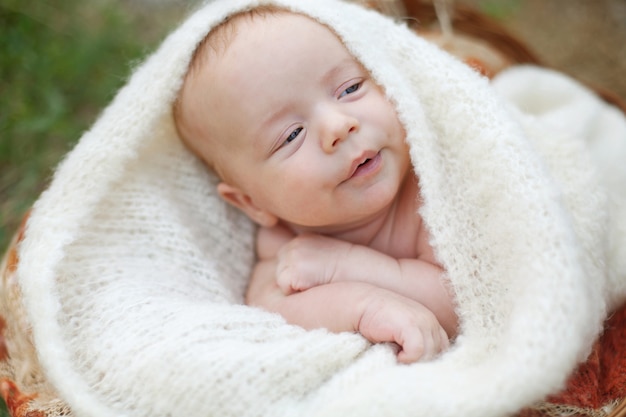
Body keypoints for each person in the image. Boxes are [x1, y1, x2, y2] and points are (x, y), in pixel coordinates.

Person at [173, 5, 458, 363]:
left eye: (350, 88)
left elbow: (464, 298)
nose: (338, 126)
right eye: (291, 135)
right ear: (252, 203)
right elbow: (270, 315)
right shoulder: (285, 241)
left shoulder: (429, 190)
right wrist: (363, 308)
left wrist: (346, 265)